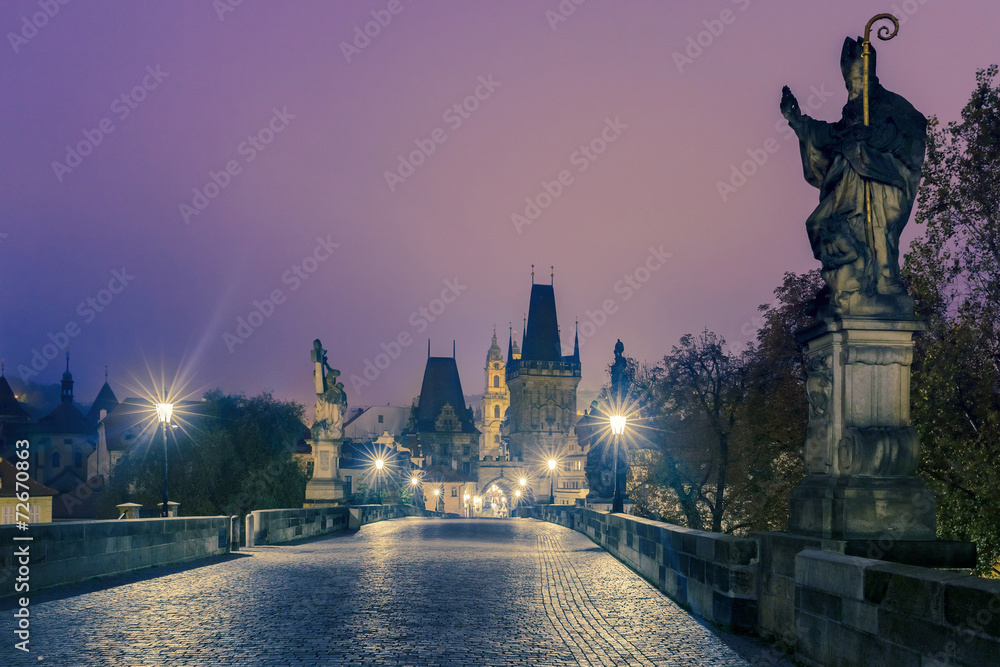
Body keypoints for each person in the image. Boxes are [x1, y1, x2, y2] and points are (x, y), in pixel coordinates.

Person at [781, 36, 926, 315]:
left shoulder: (891, 104)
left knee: (878, 234)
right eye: (849, 84)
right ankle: (846, 281)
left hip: (879, 183)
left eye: (856, 82)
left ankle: (882, 284)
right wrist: (797, 121)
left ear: (869, 76)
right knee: (818, 224)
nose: (852, 89)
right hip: (848, 184)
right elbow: (829, 135)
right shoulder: (851, 111)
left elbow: (913, 137)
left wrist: (876, 136)